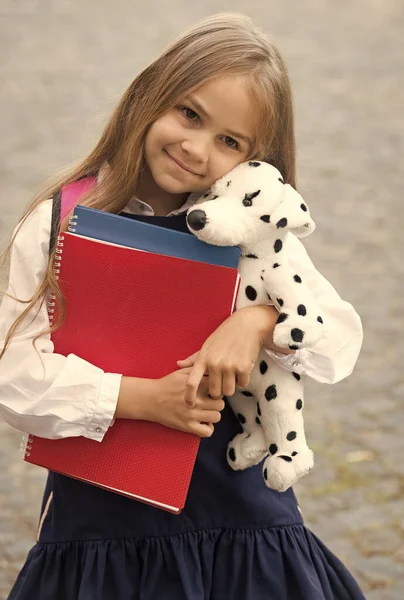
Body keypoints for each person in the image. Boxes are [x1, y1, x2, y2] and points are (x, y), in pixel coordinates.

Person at [0, 12, 365, 600]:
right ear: (149, 94)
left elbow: (341, 336)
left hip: (241, 531)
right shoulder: (60, 223)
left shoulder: (253, 232)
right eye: (189, 114)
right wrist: (140, 398)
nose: (196, 149)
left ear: (257, 158)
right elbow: (11, 375)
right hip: (102, 535)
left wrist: (260, 321)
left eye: (230, 142)